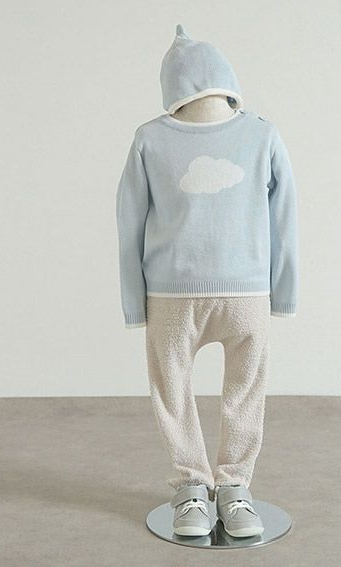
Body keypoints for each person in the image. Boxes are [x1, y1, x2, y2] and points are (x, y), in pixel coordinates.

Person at [115, 24, 299, 538]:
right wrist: (284, 290)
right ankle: (212, 486)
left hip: (213, 294)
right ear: (226, 77)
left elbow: (283, 214)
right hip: (199, 295)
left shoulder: (259, 134)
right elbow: (130, 218)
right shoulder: (153, 139)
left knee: (178, 389)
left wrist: (134, 300)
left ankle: (213, 486)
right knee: (231, 389)